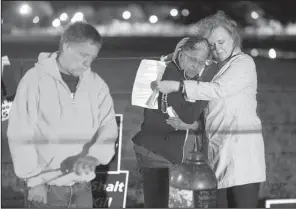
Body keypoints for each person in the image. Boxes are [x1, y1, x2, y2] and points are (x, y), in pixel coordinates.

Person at [155, 11, 266, 208]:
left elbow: (218, 90)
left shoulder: (244, 63)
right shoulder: (213, 67)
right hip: (215, 154)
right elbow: (212, 111)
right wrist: (191, 124)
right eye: (211, 45)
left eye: (221, 42)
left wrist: (177, 86)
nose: (217, 49)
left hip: (241, 154)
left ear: (234, 37)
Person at [7, 22, 118, 208]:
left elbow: (108, 127)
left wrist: (95, 156)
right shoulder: (34, 80)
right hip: (47, 188)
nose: (87, 63)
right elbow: (20, 132)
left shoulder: (96, 84)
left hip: (83, 187)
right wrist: (34, 180)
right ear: (67, 46)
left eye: (92, 57)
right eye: (83, 55)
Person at [132, 36, 217, 208]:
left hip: (162, 151)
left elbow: (194, 121)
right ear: (182, 54)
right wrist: (207, 90)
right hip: (156, 153)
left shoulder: (182, 76)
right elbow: (188, 115)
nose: (197, 66)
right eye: (193, 60)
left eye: (202, 63)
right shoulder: (171, 75)